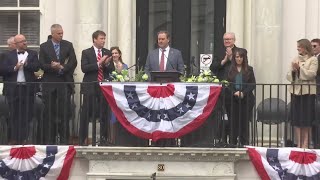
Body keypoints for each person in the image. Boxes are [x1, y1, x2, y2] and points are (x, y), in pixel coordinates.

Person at [39, 24, 77, 144]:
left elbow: (73, 62)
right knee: (50, 114)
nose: (61, 35)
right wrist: (51, 66)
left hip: (64, 83)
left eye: (62, 33)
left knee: (64, 114)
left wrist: (61, 67)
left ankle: (64, 140)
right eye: (59, 33)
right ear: (53, 33)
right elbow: (41, 64)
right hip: (49, 84)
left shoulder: (68, 45)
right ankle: (50, 141)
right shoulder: (44, 46)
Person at [2, 34, 40, 144]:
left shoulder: (33, 54)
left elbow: (37, 67)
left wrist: (26, 64)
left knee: (27, 114)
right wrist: (15, 67)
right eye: (22, 41)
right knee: (13, 114)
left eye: (25, 40)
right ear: (16, 44)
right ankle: (14, 138)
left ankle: (24, 138)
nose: (25, 43)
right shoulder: (8, 55)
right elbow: (2, 69)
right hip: (13, 89)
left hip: (27, 89)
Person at [79, 30, 114, 146]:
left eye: (104, 39)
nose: (103, 41)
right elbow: (84, 68)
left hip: (104, 87)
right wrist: (99, 63)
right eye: (101, 39)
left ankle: (104, 138)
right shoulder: (86, 52)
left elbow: (111, 70)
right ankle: (83, 139)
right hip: (90, 86)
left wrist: (107, 64)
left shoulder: (107, 52)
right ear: (94, 39)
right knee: (86, 113)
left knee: (104, 113)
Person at [287, 39, 318, 149]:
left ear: (305, 47)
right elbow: (289, 76)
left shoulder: (313, 59)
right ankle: (299, 143)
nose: (297, 48)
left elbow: (312, 74)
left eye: (299, 46)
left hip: (307, 93)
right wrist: (293, 71)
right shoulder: (296, 59)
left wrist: (299, 69)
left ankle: (305, 144)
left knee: (306, 119)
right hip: (296, 92)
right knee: (297, 119)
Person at [225, 48, 255, 146]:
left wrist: (243, 93)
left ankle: (244, 143)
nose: (239, 59)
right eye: (237, 57)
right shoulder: (229, 69)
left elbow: (252, 84)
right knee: (233, 122)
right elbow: (227, 84)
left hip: (246, 100)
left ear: (244, 58)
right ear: (234, 58)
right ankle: (232, 143)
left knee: (244, 122)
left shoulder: (249, 69)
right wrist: (234, 92)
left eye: (241, 57)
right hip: (232, 100)